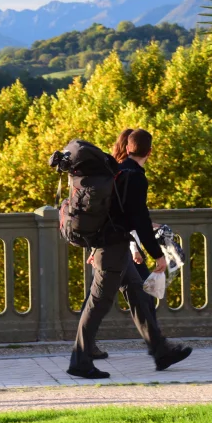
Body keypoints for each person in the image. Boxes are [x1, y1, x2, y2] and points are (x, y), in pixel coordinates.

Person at [67, 128, 192, 379]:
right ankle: (79, 361)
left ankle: (161, 351)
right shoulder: (134, 176)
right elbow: (140, 220)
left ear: (128, 147)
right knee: (97, 303)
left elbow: (110, 214)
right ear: (150, 151)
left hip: (115, 247)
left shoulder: (117, 170)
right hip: (112, 250)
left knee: (139, 295)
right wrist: (157, 254)